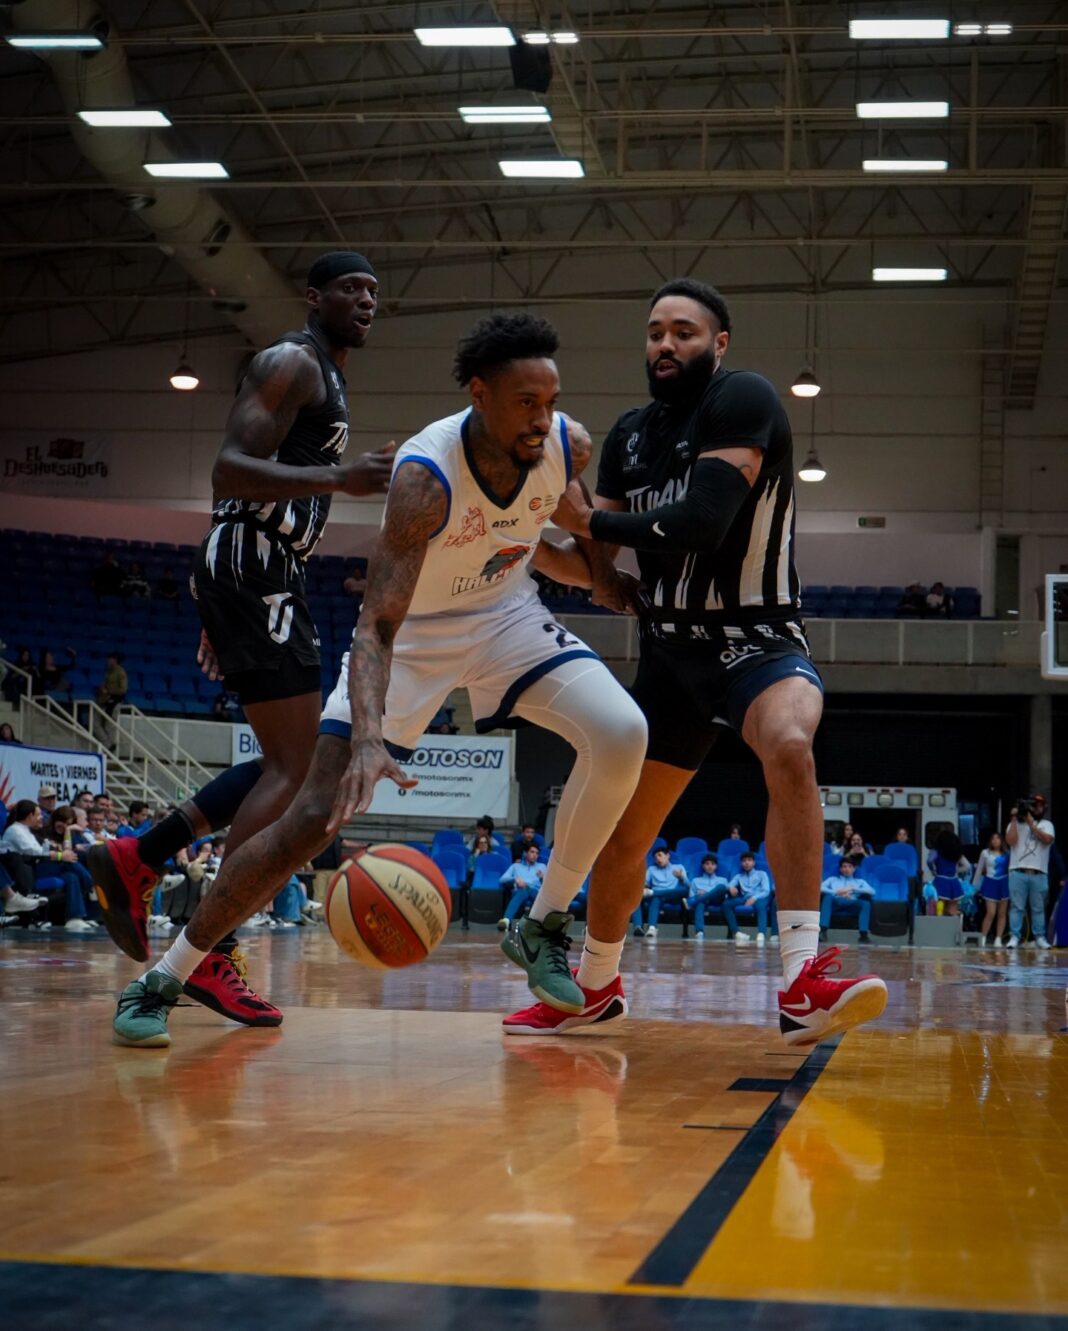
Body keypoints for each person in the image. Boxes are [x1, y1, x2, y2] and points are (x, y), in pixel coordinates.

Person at [109, 310, 649, 1047]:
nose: (542, 418)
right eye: (526, 402)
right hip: (415, 638)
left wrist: (606, 582)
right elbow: (378, 626)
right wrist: (369, 738)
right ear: (479, 393)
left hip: (507, 618)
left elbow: (561, 530)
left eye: (550, 401)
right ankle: (165, 975)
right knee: (310, 819)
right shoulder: (424, 477)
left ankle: (542, 922)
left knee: (623, 731)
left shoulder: (563, 444)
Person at [524, 275, 886, 1043]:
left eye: (683, 332)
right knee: (626, 834)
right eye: (655, 331)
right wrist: (521, 540)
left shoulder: (743, 399)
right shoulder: (626, 435)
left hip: (758, 637)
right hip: (670, 652)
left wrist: (592, 521)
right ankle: (594, 985)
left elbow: (700, 519)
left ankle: (799, 979)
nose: (664, 344)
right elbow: (598, 554)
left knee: (789, 744)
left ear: (718, 343)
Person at [87, 251, 395, 1029]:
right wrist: (340, 482)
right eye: (350, 288)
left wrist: (215, 598)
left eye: (373, 292)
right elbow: (228, 470)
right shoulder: (292, 359)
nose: (365, 300)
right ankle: (207, 945)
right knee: (296, 771)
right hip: (256, 562)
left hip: (254, 568)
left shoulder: (327, 372)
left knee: (286, 761)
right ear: (313, 295)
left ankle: (140, 856)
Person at [1005, 794, 1055, 950]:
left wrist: (1032, 824)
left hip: (1038, 872)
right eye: (1033, 805)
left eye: (1039, 805)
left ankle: (1039, 937)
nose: (1036, 808)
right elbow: (1010, 841)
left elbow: (1047, 840)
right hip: (1017, 871)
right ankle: (1014, 936)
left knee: (1038, 907)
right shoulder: (1015, 824)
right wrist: (1014, 819)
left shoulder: (1046, 824)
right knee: (1016, 906)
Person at [632, 847, 689, 938]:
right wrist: (645, 888)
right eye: (655, 857)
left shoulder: (678, 867)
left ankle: (654, 893)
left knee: (685, 890)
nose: (657, 858)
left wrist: (681, 877)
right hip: (656, 896)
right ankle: (645, 927)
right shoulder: (651, 869)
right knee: (641, 897)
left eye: (660, 855)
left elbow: (688, 886)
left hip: (672, 895)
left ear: (667, 855)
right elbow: (645, 884)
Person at [722, 851, 772, 943]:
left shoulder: (762, 874)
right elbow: (728, 885)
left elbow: (766, 891)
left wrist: (754, 898)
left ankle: (761, 933)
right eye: (744, 861)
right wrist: (731, 888)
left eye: (749, 860)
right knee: (726, 904)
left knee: (760, 905)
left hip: (759, 897)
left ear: (754, 862)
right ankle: (736, 932)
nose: (747, 863)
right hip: (744, 898)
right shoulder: (739, 876)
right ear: (741, 863)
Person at [819, 858, 874, 943]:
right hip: (836, 902)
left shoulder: (859, 882)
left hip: (852, 903)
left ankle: (863, 935)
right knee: (827, 897)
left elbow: (872, 892)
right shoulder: (832, 879)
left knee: (866, 904)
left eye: (850, 866)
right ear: (840, 869)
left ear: (854, 869)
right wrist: (837, 892)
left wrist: (853, 889)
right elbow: (820, 888)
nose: (847, 869)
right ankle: (822, 931)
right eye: (844, 867)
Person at [497, 844, 547, 929]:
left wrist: (543, 877)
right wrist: (515, 879)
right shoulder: (516, 866)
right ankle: (506, 922)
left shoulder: (542, 866)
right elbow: (502, 879)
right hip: (520, 891)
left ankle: (506, 919)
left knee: (525, 890)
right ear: (525, 853)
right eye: (532, 852)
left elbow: (550, 884)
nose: (535, 855)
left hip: (536, 893)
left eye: (537, 853)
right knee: (522, 891)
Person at [974, 832, 1009, 946]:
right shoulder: (985, 853)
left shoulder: (1007, 853)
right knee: (991, 912)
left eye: (998, 838)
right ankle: (983, 936)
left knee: (1002, 913)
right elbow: (979, 870)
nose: (995, 841)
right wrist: (973, 887)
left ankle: (998, 938)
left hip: (1003, 883)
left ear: (1001, 841)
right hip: (990, 883)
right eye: (993, 838)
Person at [686, 854, 729, 938]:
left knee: (721, 887)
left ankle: (691, 903)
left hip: (718, 901)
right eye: (707, 864)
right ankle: (699, 932)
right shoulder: (696, 880)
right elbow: (691, 896)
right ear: (703, 866)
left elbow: (726, 896)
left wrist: (705, 893)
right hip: (702, 901)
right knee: (700, 903)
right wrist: (698, 896)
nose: (710, 866)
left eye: (712, 864)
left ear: (716, 866)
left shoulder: (723, 880)